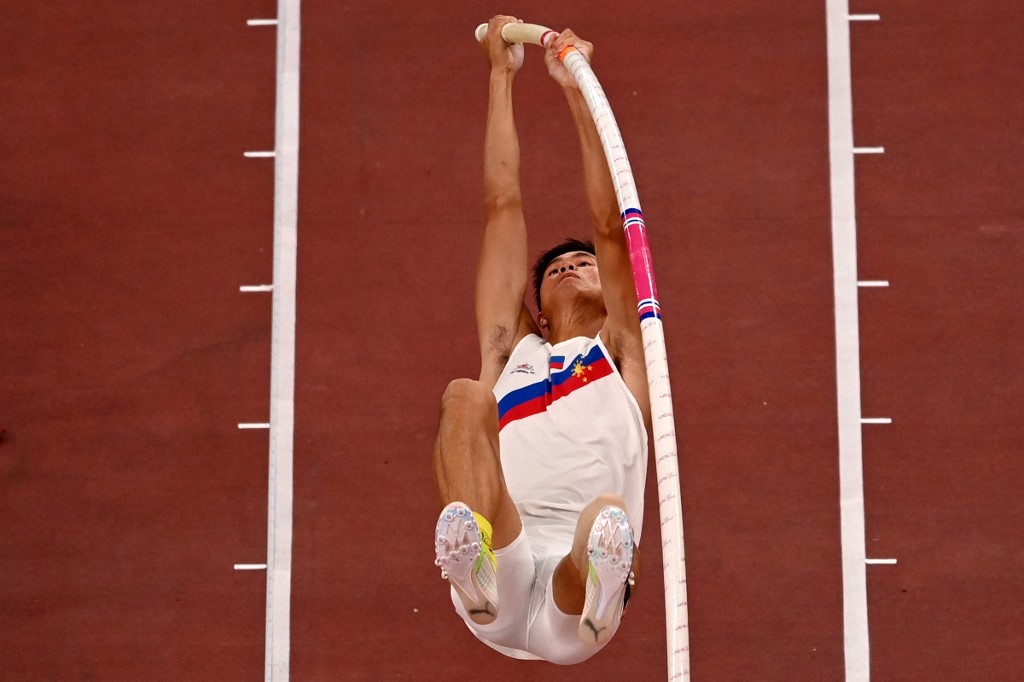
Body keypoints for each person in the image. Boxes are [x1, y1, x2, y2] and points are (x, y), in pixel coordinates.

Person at [432, 16, 651, 665]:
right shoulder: (512, 353)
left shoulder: (624, 353)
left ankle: (599, 595)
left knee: (604, 517)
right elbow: (502, 205)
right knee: (465, 397)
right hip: (502, 561)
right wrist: (501, 76)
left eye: (583, 264)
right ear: (541, 316)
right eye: (556, 268)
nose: (571, 266)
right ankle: (472, 564)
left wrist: (577, 91)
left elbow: (610, 228)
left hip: (569, 600)